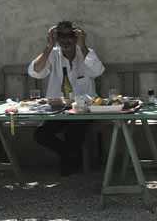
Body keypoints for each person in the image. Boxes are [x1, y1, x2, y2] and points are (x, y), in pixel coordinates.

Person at [28, 21, 105, 175]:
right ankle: (69, 155)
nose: (66, 40)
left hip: (84, 110)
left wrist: (83, 46)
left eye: (70, 36)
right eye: (61, 36)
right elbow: (35, 72)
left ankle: (69, 164)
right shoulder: (53, 54)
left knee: (74, 131)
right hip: (58, 109)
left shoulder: (85, 53)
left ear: (76, 37)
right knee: (41, 134)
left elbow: (97, 71)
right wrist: (49, 46)